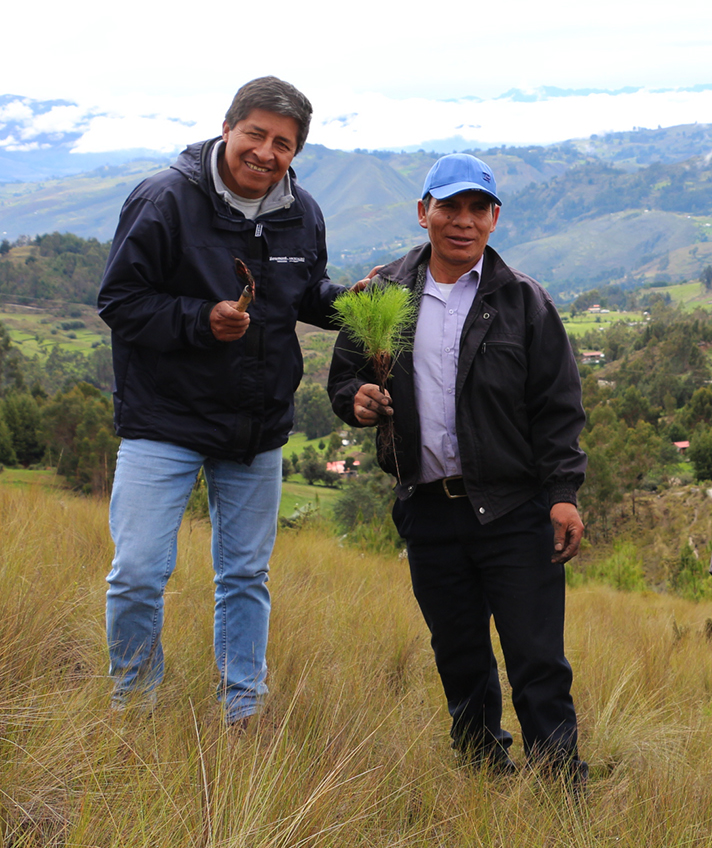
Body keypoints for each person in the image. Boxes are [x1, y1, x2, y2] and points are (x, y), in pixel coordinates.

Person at [327, 154, 588, 784]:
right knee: (459, 654)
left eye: (477, 209)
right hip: (427, 508)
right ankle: (482, 777)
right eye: (449, 207)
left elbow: (557, 407)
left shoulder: (524, 302)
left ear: (495, 219)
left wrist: (562, 494)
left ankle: (559, 786)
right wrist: (356, 402)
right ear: (424, 213)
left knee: (535, 656)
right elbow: (345, 379)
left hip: (512, 508)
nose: (462, 221)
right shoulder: (382, 293)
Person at [98, 77, 347, 725]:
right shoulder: (164, 200)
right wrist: (200, 319)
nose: (266, 152)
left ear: (296, 151)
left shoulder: (303, 212)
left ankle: (243, 710)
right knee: (138, 573)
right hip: (165, 420)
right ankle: (135, 704)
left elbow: (303, 291)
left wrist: (349, 304)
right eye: (256, 134)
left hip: (255, 428)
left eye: (283, 143)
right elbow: (120, 302)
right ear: (229, 127)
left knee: (244, 578)